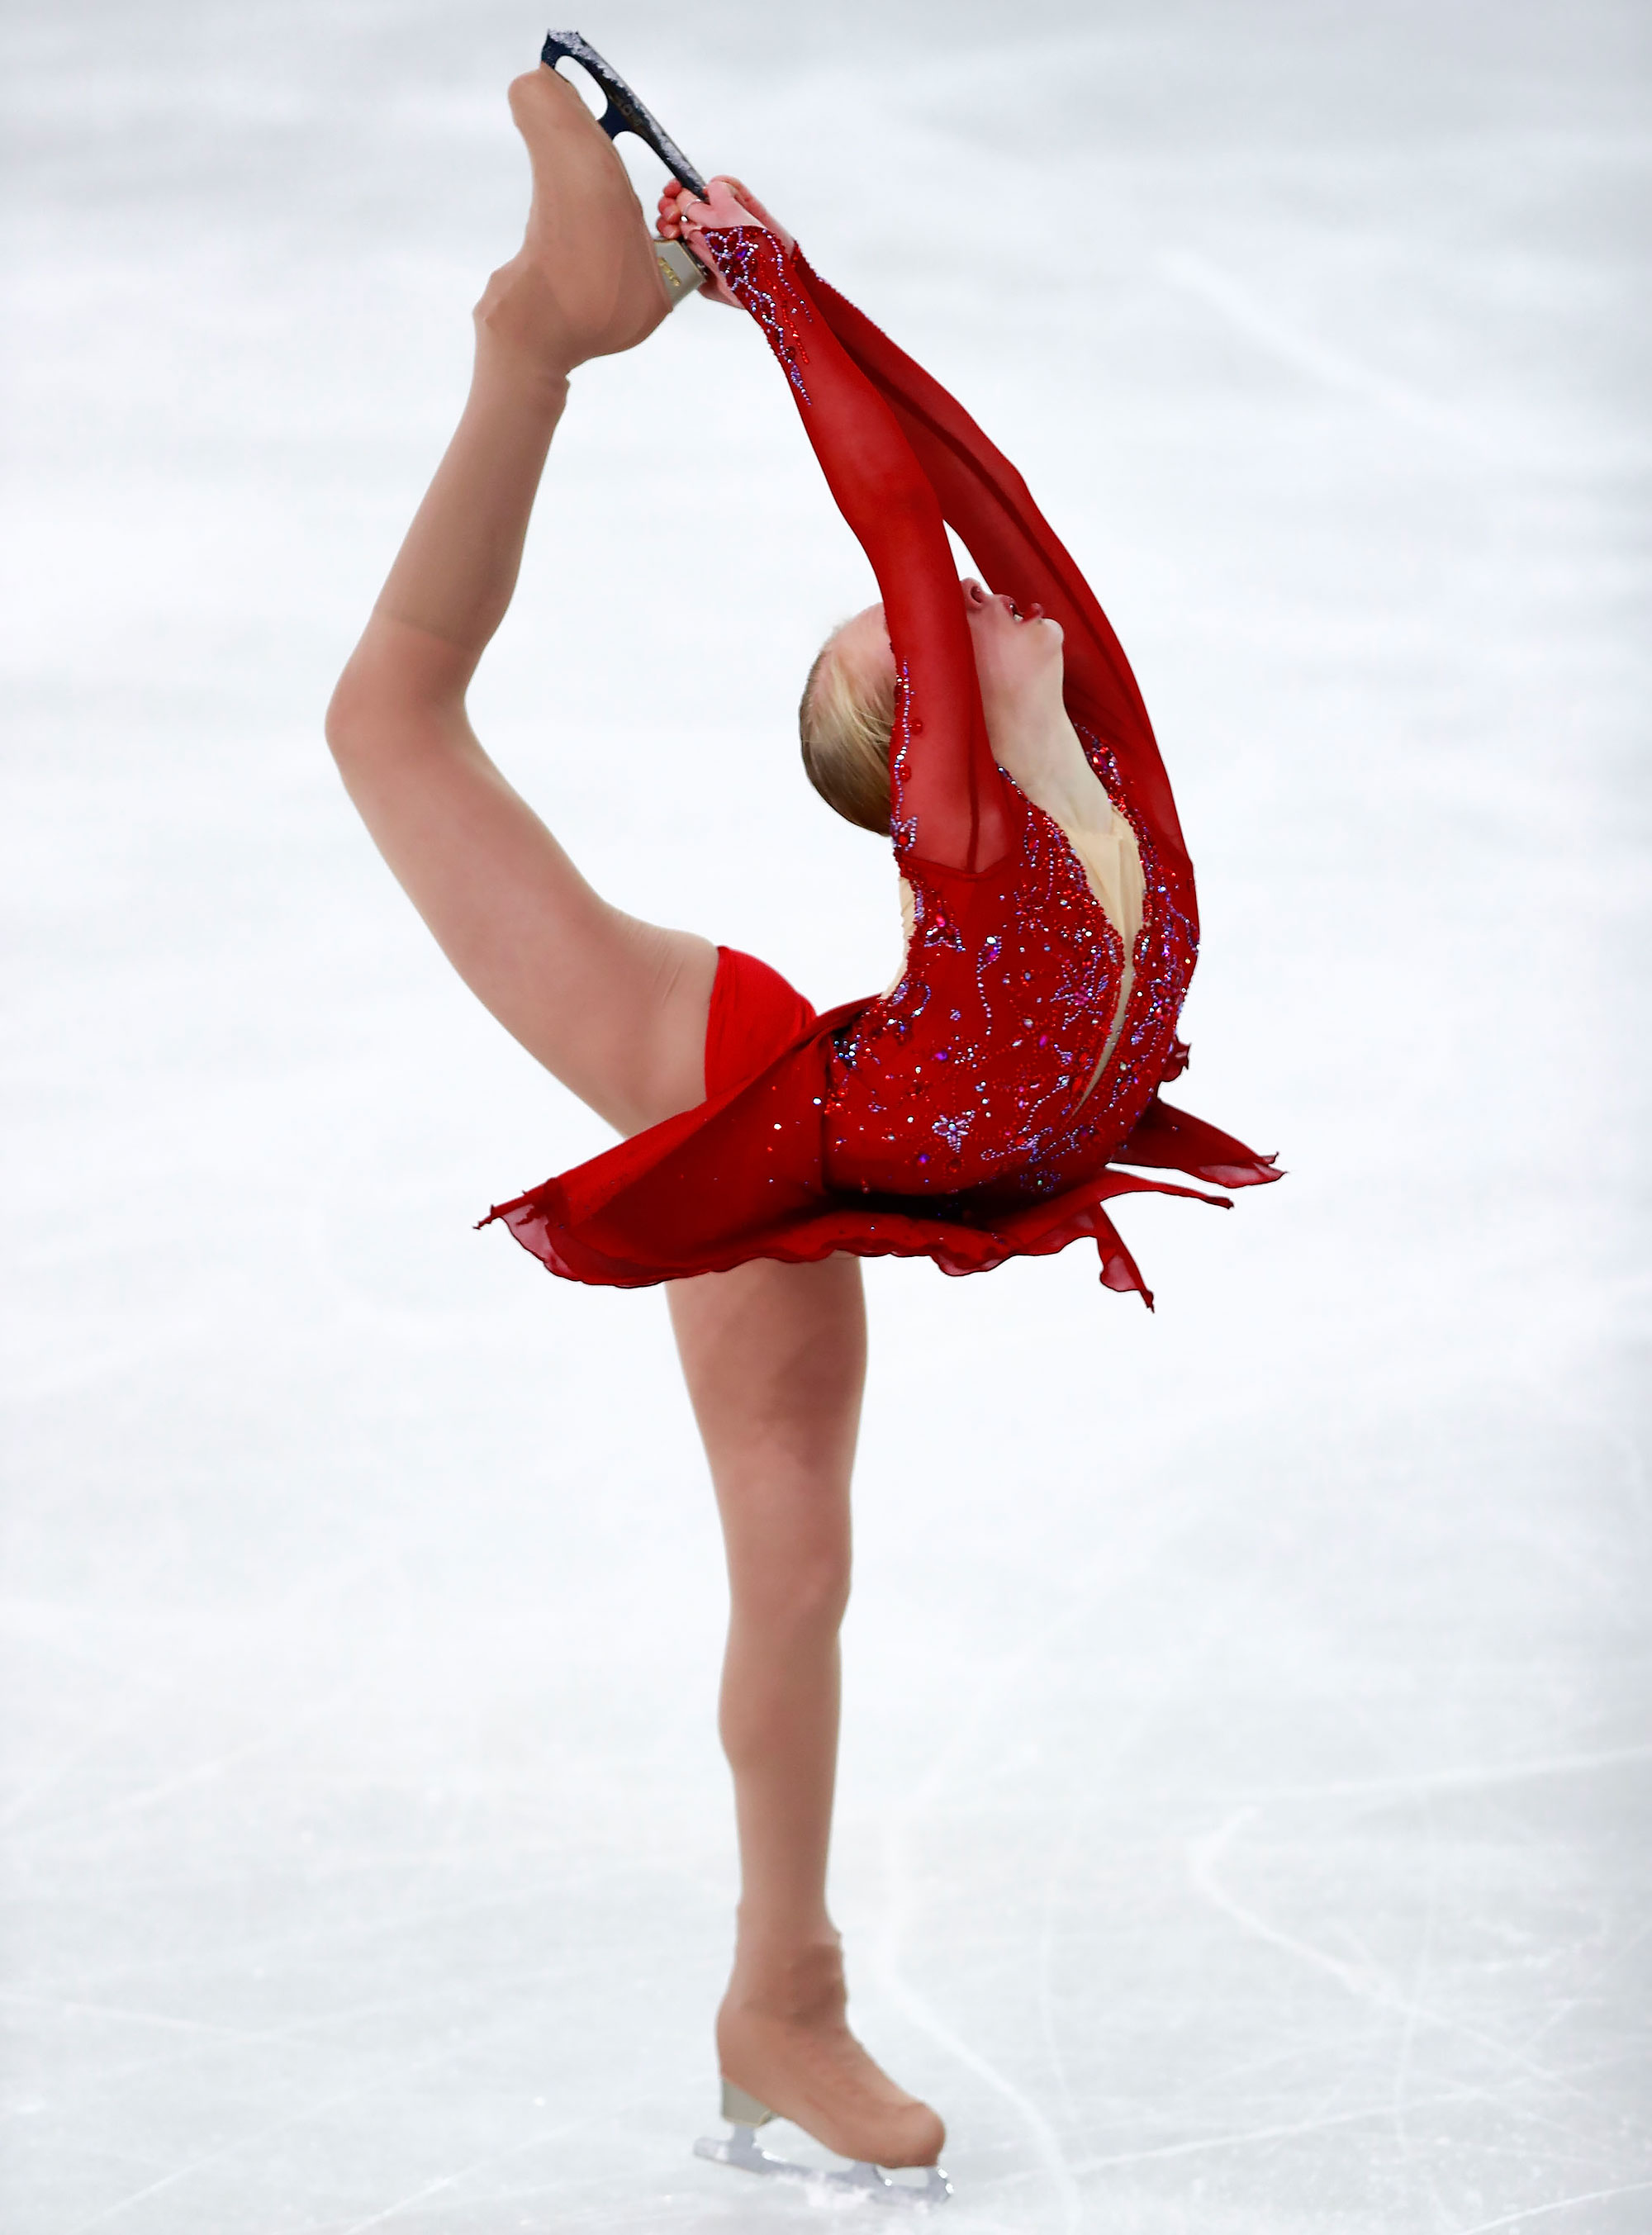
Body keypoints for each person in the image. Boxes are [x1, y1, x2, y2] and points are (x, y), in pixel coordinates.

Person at [325, 64, 1275, 2180]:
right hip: (748, 1095)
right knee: (387, 719)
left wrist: (804, 289)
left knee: (797, 1563)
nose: (964, 599)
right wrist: (753, 287)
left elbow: (971, 499)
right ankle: (526, 345)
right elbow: (898, 526)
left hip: (846, 1134)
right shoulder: (975, 835)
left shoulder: (1088, 777)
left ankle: (780, 1990)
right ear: (915, 725)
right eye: (918, 638)